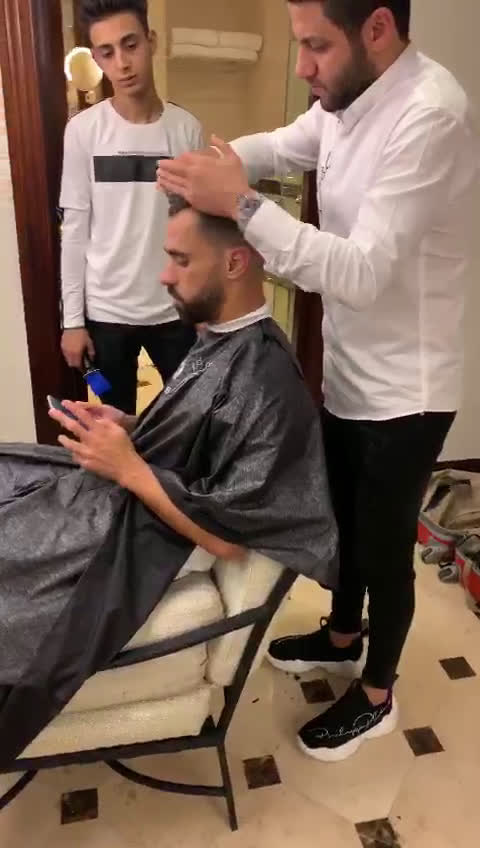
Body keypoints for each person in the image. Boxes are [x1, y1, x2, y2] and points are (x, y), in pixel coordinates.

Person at [157, 0, 479, 762]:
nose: (302, 65)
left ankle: (378, 695)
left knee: (382, 546)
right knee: (340, 520)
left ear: (377, 28)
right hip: (349, 369)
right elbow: (279, 146)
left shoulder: (431, 116)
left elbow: (361, 272)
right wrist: (207, 164)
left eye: (315, 46)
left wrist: (240, 204)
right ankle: (341, 636)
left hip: (407, 392)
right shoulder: (345, 97)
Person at [0, 194, 338, 769]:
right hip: (113, 499)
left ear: (234, 263)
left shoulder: (268, 384)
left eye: (180, 260)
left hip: (132, 536)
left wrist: (129, 468)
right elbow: (193, 436)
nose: (164, 275)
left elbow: (229, 541)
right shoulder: (220, 338)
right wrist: (129, 426)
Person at [60, 0, 203, 413]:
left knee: (184, 421)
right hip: (105, 316)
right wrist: (73, 323)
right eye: (107, 52)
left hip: (174, 313)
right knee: (112, 417)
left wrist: (204, 307)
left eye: (130, 45)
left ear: (150, 42)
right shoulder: (83, 131)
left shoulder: (186, 130)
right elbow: (74, 231)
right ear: (97, 59)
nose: (122, 63)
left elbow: (198, 228)